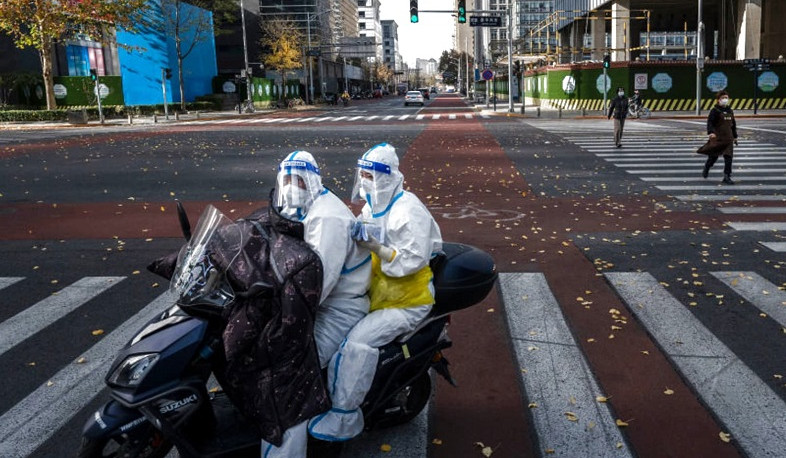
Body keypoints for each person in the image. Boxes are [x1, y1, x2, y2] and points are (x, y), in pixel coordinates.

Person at [307, 142, 443, 441]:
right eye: (363, 175)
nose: (365, 181)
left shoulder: (408, 210)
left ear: (389, 176)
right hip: (379, 295)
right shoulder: (373, 205)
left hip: (407, 302)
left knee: (356, 344)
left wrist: (377, 247)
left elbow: (410, 259)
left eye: (371, 175)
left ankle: (345, 416)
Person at [262, 150, 372, 457]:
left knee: (288, 377)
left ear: (311, 180)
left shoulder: (328, 217)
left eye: (297, 179)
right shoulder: (297, 208)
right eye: (286, 178)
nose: (291, 185)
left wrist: (276, 309)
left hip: (337, 308)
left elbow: (318, 285)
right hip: (310, 304)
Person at [702, 91, 738, 184]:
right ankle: (707, 166)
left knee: (728, 157)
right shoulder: (715, 111)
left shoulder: (730, 110)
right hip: (718, 137)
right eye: (723, 98)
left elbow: (733, 124)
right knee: (714, 157)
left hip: (728, 138)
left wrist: (735, 136)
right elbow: (710, 122)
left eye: (726, 97)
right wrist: (711, 132)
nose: (725, 100)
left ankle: (727, 176)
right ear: (718, 100)